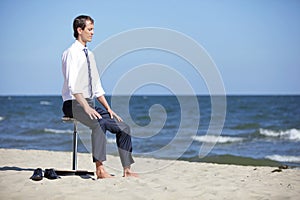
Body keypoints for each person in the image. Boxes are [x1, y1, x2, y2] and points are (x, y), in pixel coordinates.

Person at [61, 15, 137, 178]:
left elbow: (96, 87)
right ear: (79, 30)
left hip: (89, 103)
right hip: (73, 103)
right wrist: (87, 107)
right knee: (98, 124)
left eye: (93, 29)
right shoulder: (70, 53)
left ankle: (127, 170)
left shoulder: (90, 55)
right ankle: (100, 169)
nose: (93, 33)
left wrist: (109, 109)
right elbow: (73, 86)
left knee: (124, 127)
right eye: (90, 29)